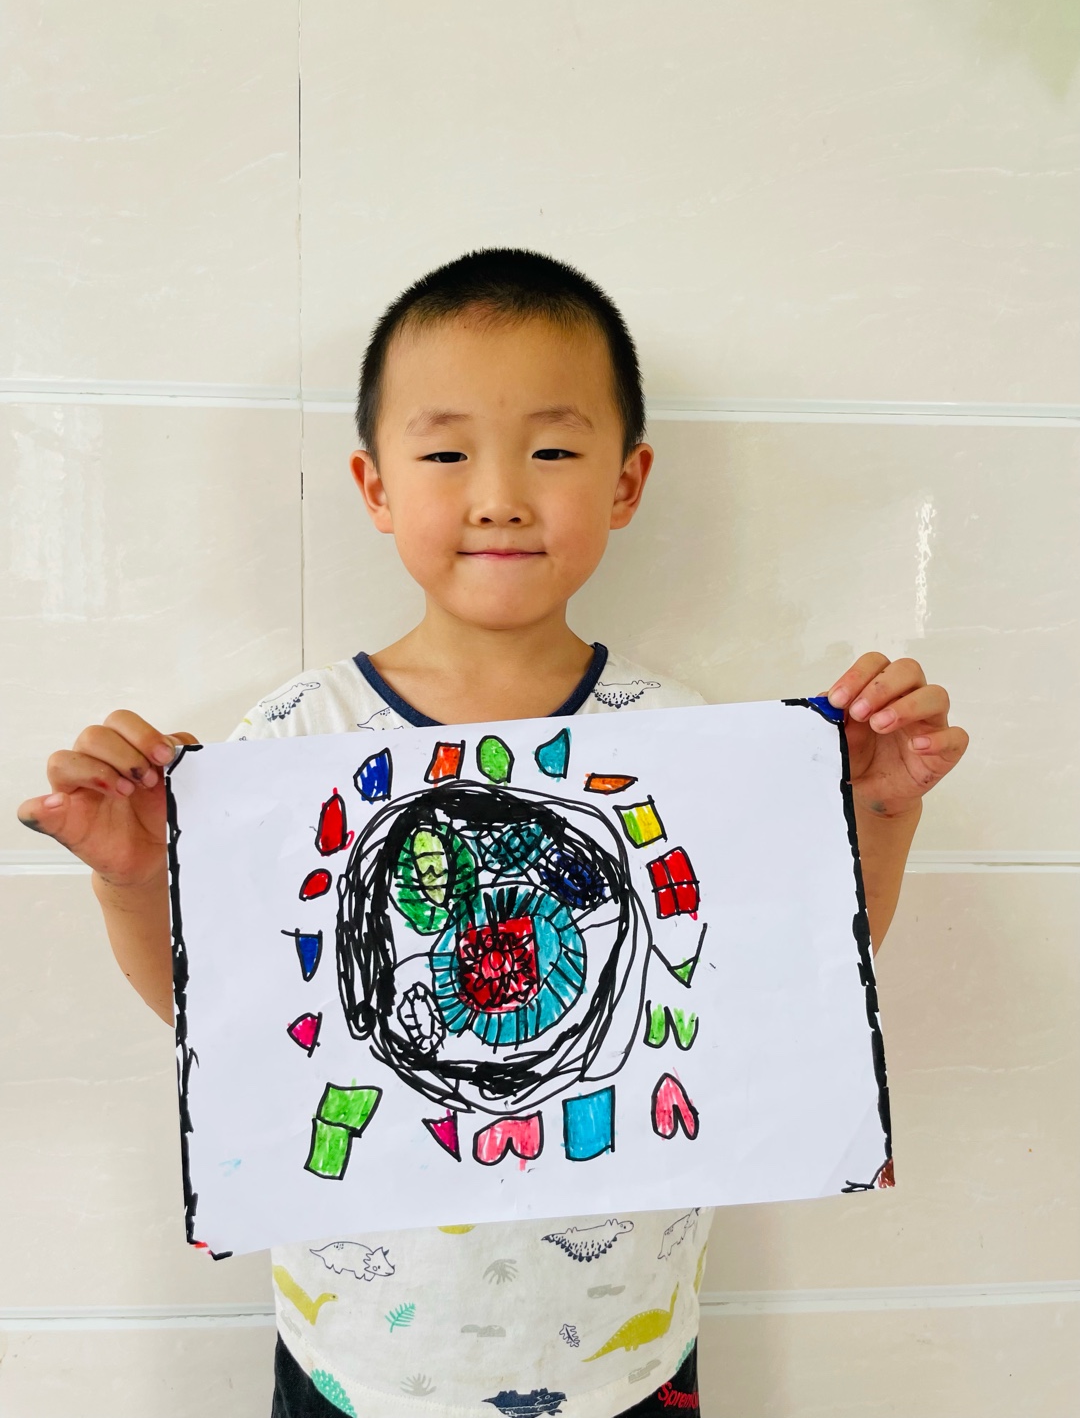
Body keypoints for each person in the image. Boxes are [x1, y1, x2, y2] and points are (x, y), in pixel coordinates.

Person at [18, 249, 969, 1418]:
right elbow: (223, 1022)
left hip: (626, 1355)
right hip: (355, 1364)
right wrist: (130, 881)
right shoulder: (291, 739)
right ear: (374, 486)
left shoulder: (681, 739)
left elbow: (784, 990)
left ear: (626, 482)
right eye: (446, 453)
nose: (501, 495)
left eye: (553, 451)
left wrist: (879, 811)